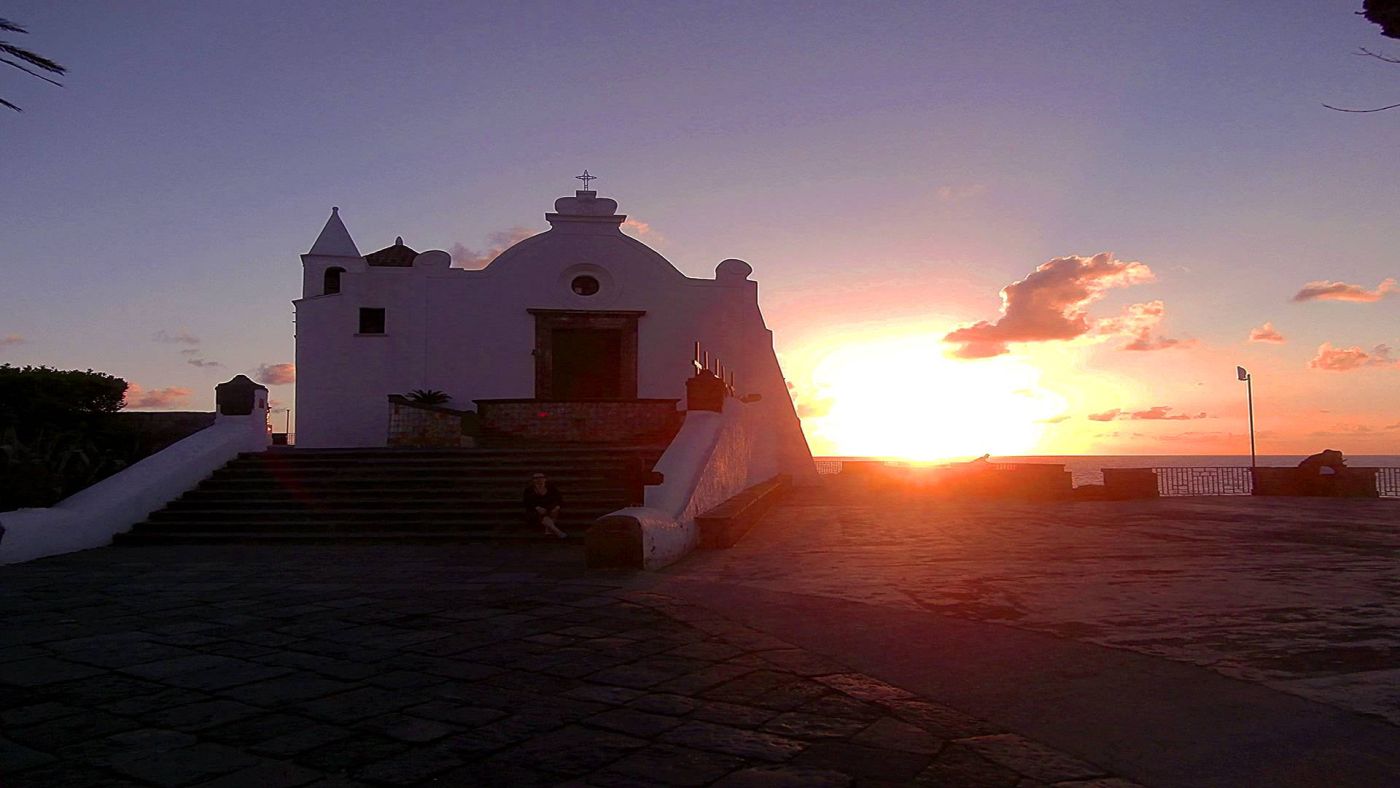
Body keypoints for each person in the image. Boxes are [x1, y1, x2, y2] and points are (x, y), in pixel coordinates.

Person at [523, 472, 566, 538]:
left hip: (550, 508)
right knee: (544, 516)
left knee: (553, 511)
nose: (539, 479)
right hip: (535, 511)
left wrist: (557, 506)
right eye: (536, 478)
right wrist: (536, 507)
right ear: (533, 480)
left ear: (545, 479)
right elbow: (526, 502)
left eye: (541, 477)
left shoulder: (551, 488)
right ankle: (557, 531)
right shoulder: (529, 490)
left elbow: (559, 498)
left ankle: (548, 529)